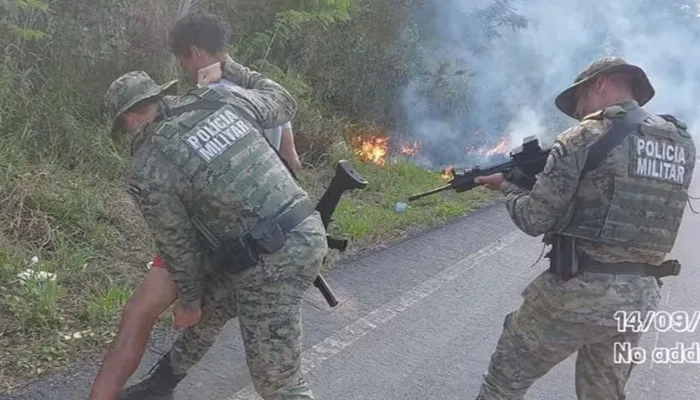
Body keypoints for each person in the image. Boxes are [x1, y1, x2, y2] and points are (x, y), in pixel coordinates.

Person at [88, 56, 328, 400]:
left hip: (273, 264)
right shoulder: (219, 98)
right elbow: (284, 103)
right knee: (210, 309)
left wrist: (187, 301)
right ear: (158, 95)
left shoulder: (148, 165)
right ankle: (159, 387)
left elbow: (178, 246)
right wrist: (231, 68)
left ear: (128, 118)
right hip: (301, 228)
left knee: (278, 384)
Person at [473, 56, 695, 399]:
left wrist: (505, 187)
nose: (578, 113)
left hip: (580, 292)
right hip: (639, 299)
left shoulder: (584, 135)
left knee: (502, 383)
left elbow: (534, 219)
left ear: (600, 84)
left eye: (578, 101)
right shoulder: (681, 143)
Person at [171, 11, 302, 173]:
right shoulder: (266, 94)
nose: (182, 66)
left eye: (182, 59)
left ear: (196, 53)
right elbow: (292, 160)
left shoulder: (206, 104)